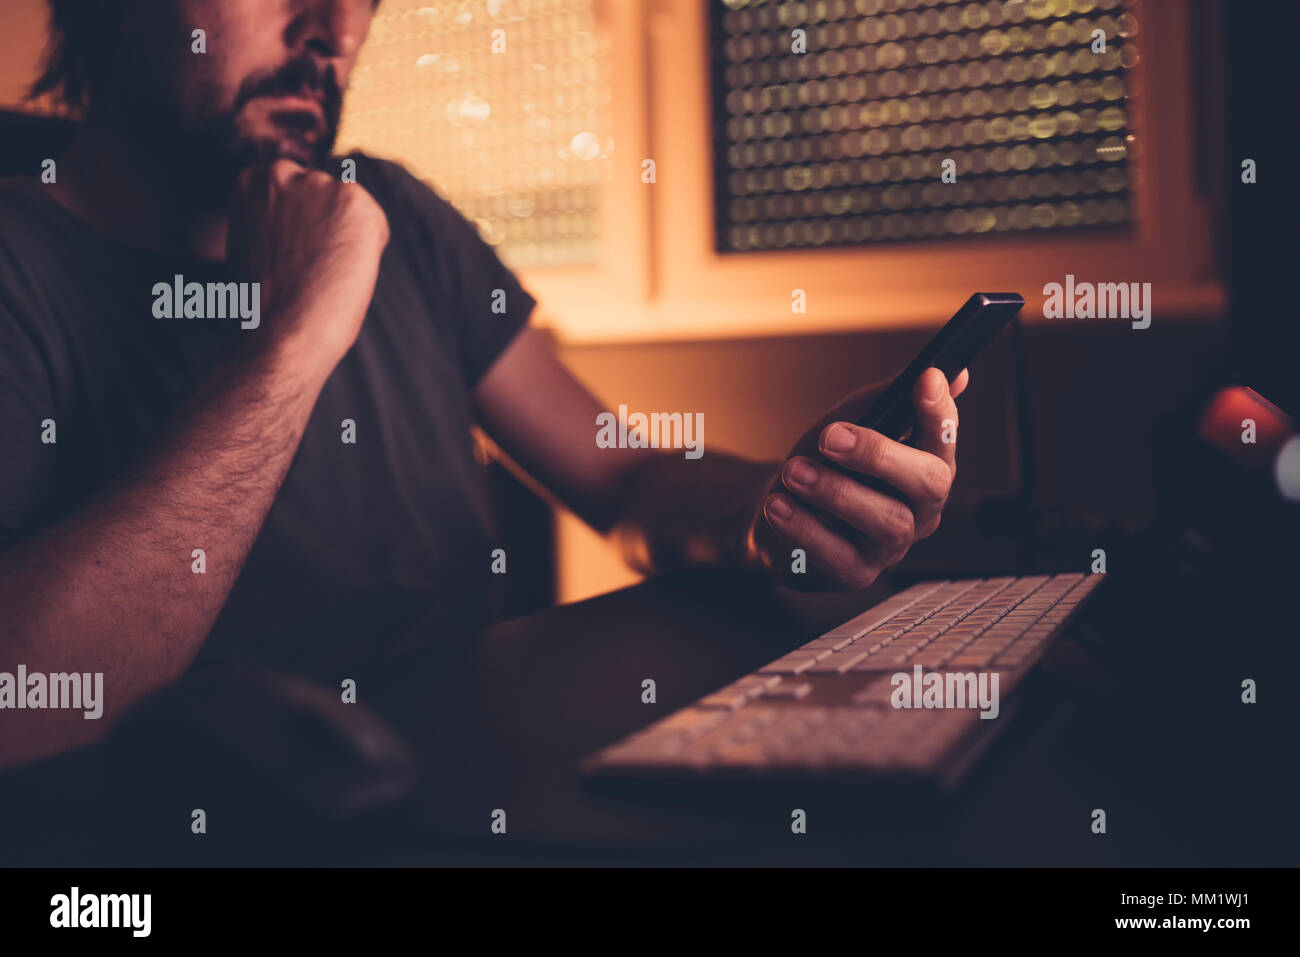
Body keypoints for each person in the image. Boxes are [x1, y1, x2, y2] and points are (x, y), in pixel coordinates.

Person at [0, 0, 967, 767]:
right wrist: (295, 335)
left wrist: (789, 497)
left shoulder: (397, 213)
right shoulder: (20, 268)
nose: (330, 32)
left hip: (481, 790)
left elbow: (625, 481)